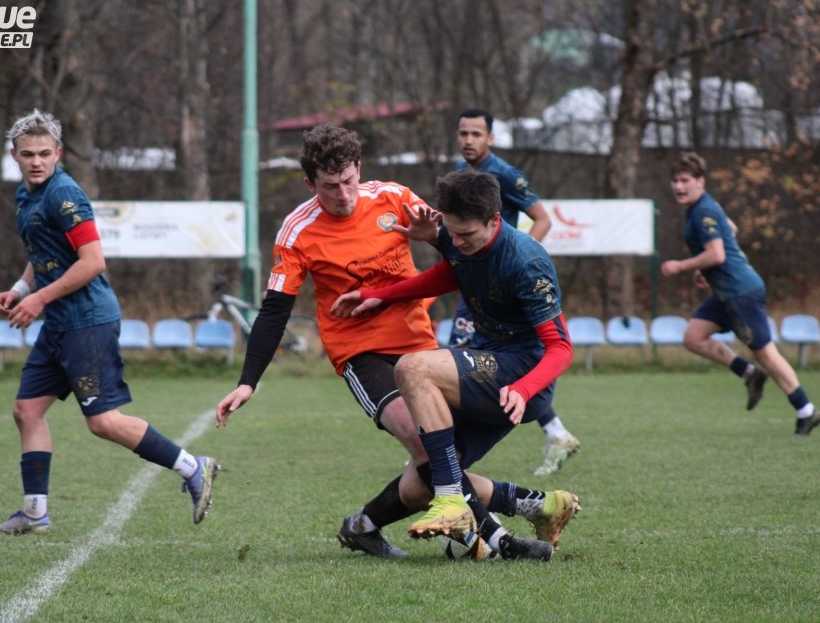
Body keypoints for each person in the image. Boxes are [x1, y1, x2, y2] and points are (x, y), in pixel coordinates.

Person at [216, 124, 577, 560]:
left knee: (428, 470)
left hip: (417, 341)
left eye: (349, 180)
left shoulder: (394, 198)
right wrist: (248, 381)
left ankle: (363, 526)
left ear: (359, 168)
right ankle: (502, 538)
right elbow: (275, 310)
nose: (343, 194)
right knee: (429, 448)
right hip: (361, 352)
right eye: (330, 186)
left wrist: (432, 239)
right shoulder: (298, 231)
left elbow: (458, 247)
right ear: (310, 184)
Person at [0, 109, 219, 535]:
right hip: (59, 323)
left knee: (103, 422)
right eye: (28, 154)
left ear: (58, 153)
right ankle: (35, 512)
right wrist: (21, 288)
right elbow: (42, 251)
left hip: (87, 323)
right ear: (14, 155)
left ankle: (193, 467)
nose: (36, 161)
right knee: (27, 410)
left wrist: (38, 298)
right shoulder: (27, 195)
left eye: (44, 154)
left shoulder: (64, 195)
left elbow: (93, 262)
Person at [332, 167, 580, 549]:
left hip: (521, 374)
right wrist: (378, 295)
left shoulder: (527, 261)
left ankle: (452, 502)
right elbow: (449, 275)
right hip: (487, 364)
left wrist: (524, 389)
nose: (456, 240)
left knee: (413, 367)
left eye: (466, 234)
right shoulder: (455, 238)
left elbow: (561, 347)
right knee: (418, 484)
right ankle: (544, 506)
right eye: (451, 231)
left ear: (494, 219)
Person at [450, 107, 580, 477]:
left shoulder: (505, 174)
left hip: (497, 287)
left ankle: (444, 451)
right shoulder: (458, 174)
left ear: (490, 138)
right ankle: (555, 432)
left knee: (458, 360)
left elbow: (543, 218)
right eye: (463, 133)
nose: (469, 140)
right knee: (464, 359)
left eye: (476, 134)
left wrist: (516, 260)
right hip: (472, 280)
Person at [660, 152, 820, 435]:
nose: (678, 186)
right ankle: (749, 373)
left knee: (766, 354)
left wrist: (682, 266)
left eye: (685, 180)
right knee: (693, 337)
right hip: (726, 293)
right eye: (675, 181)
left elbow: (717, 254)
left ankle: (806, 410)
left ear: (701, 181)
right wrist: (704, 268)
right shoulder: (702, 208)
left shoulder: (703, 211)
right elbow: (730, 229)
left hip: (741, 292)